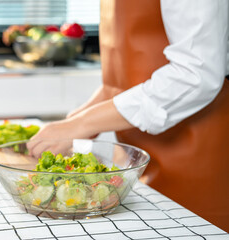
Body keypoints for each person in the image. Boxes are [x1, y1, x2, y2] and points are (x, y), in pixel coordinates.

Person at [27, 0, 229, 231]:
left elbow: (196, 75)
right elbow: (123, 78)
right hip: (142, 159)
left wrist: (81, 124)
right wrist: (74, 121)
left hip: (199, 155)